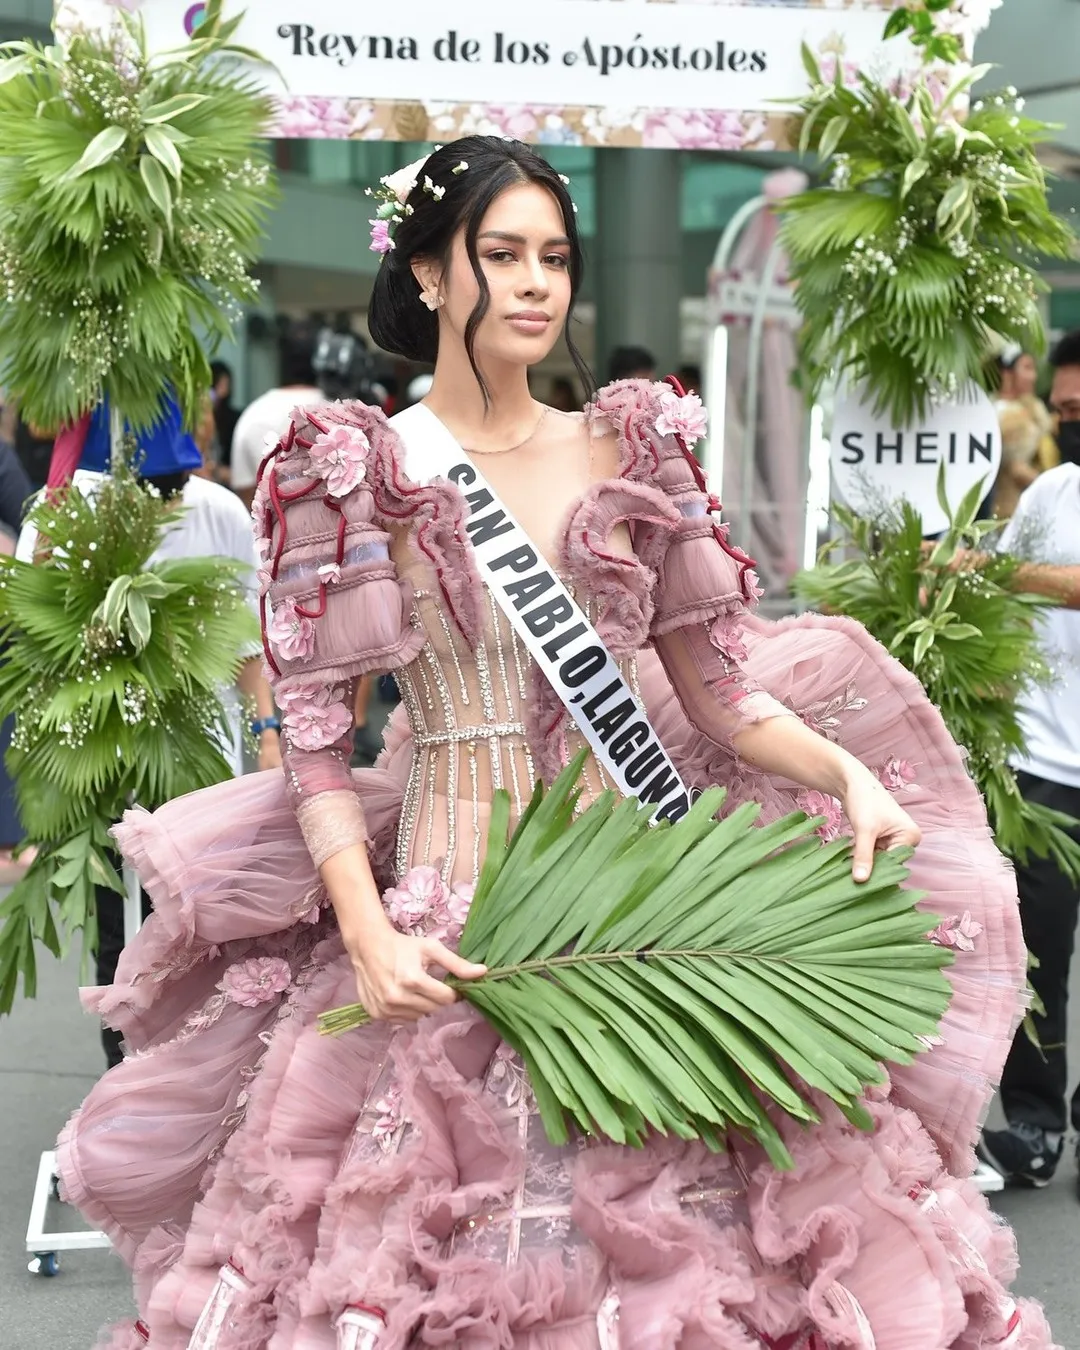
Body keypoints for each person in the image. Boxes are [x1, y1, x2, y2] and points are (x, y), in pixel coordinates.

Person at [59, 137, 1047, 1349]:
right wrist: (365, 929)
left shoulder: (635, 453)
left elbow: (728, 695)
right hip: (440, 934)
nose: (536, 285)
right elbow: (315, 742)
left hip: (643, 915)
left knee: (703, 1266)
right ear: (428, 273)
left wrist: (844, 774)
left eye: (555, 259)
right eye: (500, 255)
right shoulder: (356, 470)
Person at [71, 396, 284, 1068]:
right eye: (155, 485)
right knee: (121, 934)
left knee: (202, 934)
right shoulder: (71, 509)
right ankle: (123, 1096)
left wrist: (270, 737)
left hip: (204, 765)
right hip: (107, 761)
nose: (169, 497)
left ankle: (195, 1094)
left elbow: (251, 645)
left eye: (177, 484)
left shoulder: (220, 511)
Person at [977, 329, 1080, 1192]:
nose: (1071, 424)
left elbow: (1025, 578)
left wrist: (1010, 574)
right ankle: (1036, 1125)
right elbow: (997, 575)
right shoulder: (1052, 489)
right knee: (1034, 958)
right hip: (1043, 765)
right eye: (1067, 410)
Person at [230, 322, 324, 508]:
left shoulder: (254, 414)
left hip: (270, 533)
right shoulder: (343, 409)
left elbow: (246, 494)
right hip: (341, 534)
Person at [210, 360, 240, 477]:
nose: (223, 390)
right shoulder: (198, 418)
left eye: (226, 385)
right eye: (219, 385)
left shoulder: (234, 418)